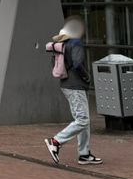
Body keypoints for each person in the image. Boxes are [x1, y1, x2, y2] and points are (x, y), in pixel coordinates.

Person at [43, 17, 101, 166]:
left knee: (82, 120)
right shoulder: (75, 44)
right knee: (82, 120)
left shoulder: (60, 46)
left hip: (66, 85)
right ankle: (55, 141)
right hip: (76, 86)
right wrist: (87, 77)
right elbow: (78, 64)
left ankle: (84, 154)